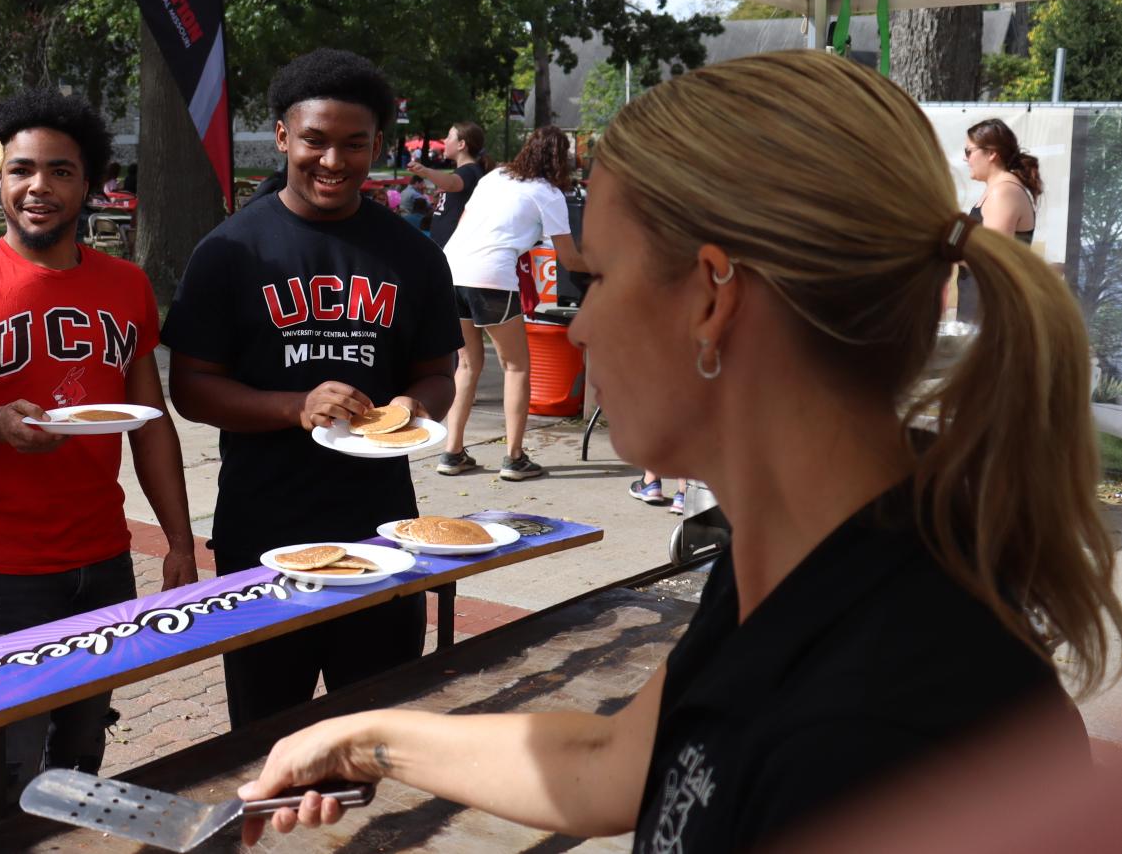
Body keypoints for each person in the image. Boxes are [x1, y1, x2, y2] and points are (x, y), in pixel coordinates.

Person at [234, 49, 1118, 852]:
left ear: (710, 300)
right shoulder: (804, 560)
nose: (578, 323)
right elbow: (610, 763)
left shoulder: (879, 734)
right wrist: (355, 740)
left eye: (602, 277)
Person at [0, 91, 197, 834]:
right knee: (5, 767)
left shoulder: (124, 287)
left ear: (88, 183)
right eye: (21, 170)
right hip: (0, 568)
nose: (39, 187)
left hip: (102, 559)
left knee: (82, 755)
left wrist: (181, 543)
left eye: (60, 171)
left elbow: (149, 426)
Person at [164, 49, 457, 728]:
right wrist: (294, 407)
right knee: (266, 736)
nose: (333, 161)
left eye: (354, 144)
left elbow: (437, 371)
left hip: (383, 534)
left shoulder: (412, 254)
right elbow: (192, 389)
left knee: (377, 731)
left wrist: (415, 408)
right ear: (282, 137)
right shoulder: (228, 252)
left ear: (377, 146)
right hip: (262, 536)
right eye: (315, 141)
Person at [438, 125, 587, 480]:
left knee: (467, 364)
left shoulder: (495, 176)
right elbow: (570, 260)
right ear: (559, 161)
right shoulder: (548, 192)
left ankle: (452, 453)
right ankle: (515, 458)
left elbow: (465, 222)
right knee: (517, 367)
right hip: (490, 278)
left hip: (450, 270)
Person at [956, 117, 1041, 324]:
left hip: (990, 315)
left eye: (969, 151)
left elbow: (990, 259)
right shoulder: (993, 191)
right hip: (978, 310)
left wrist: (940, 246)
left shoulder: (1003, 193)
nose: (965, 159)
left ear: (992, 153)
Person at [413, 122, 490, 249]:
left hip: (453, 249)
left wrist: (426, 171)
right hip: (446, 247)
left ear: (461, 144)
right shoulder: (467, 170)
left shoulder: (469, 170)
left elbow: (452, 183)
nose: (445, 140)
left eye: (449, 136)